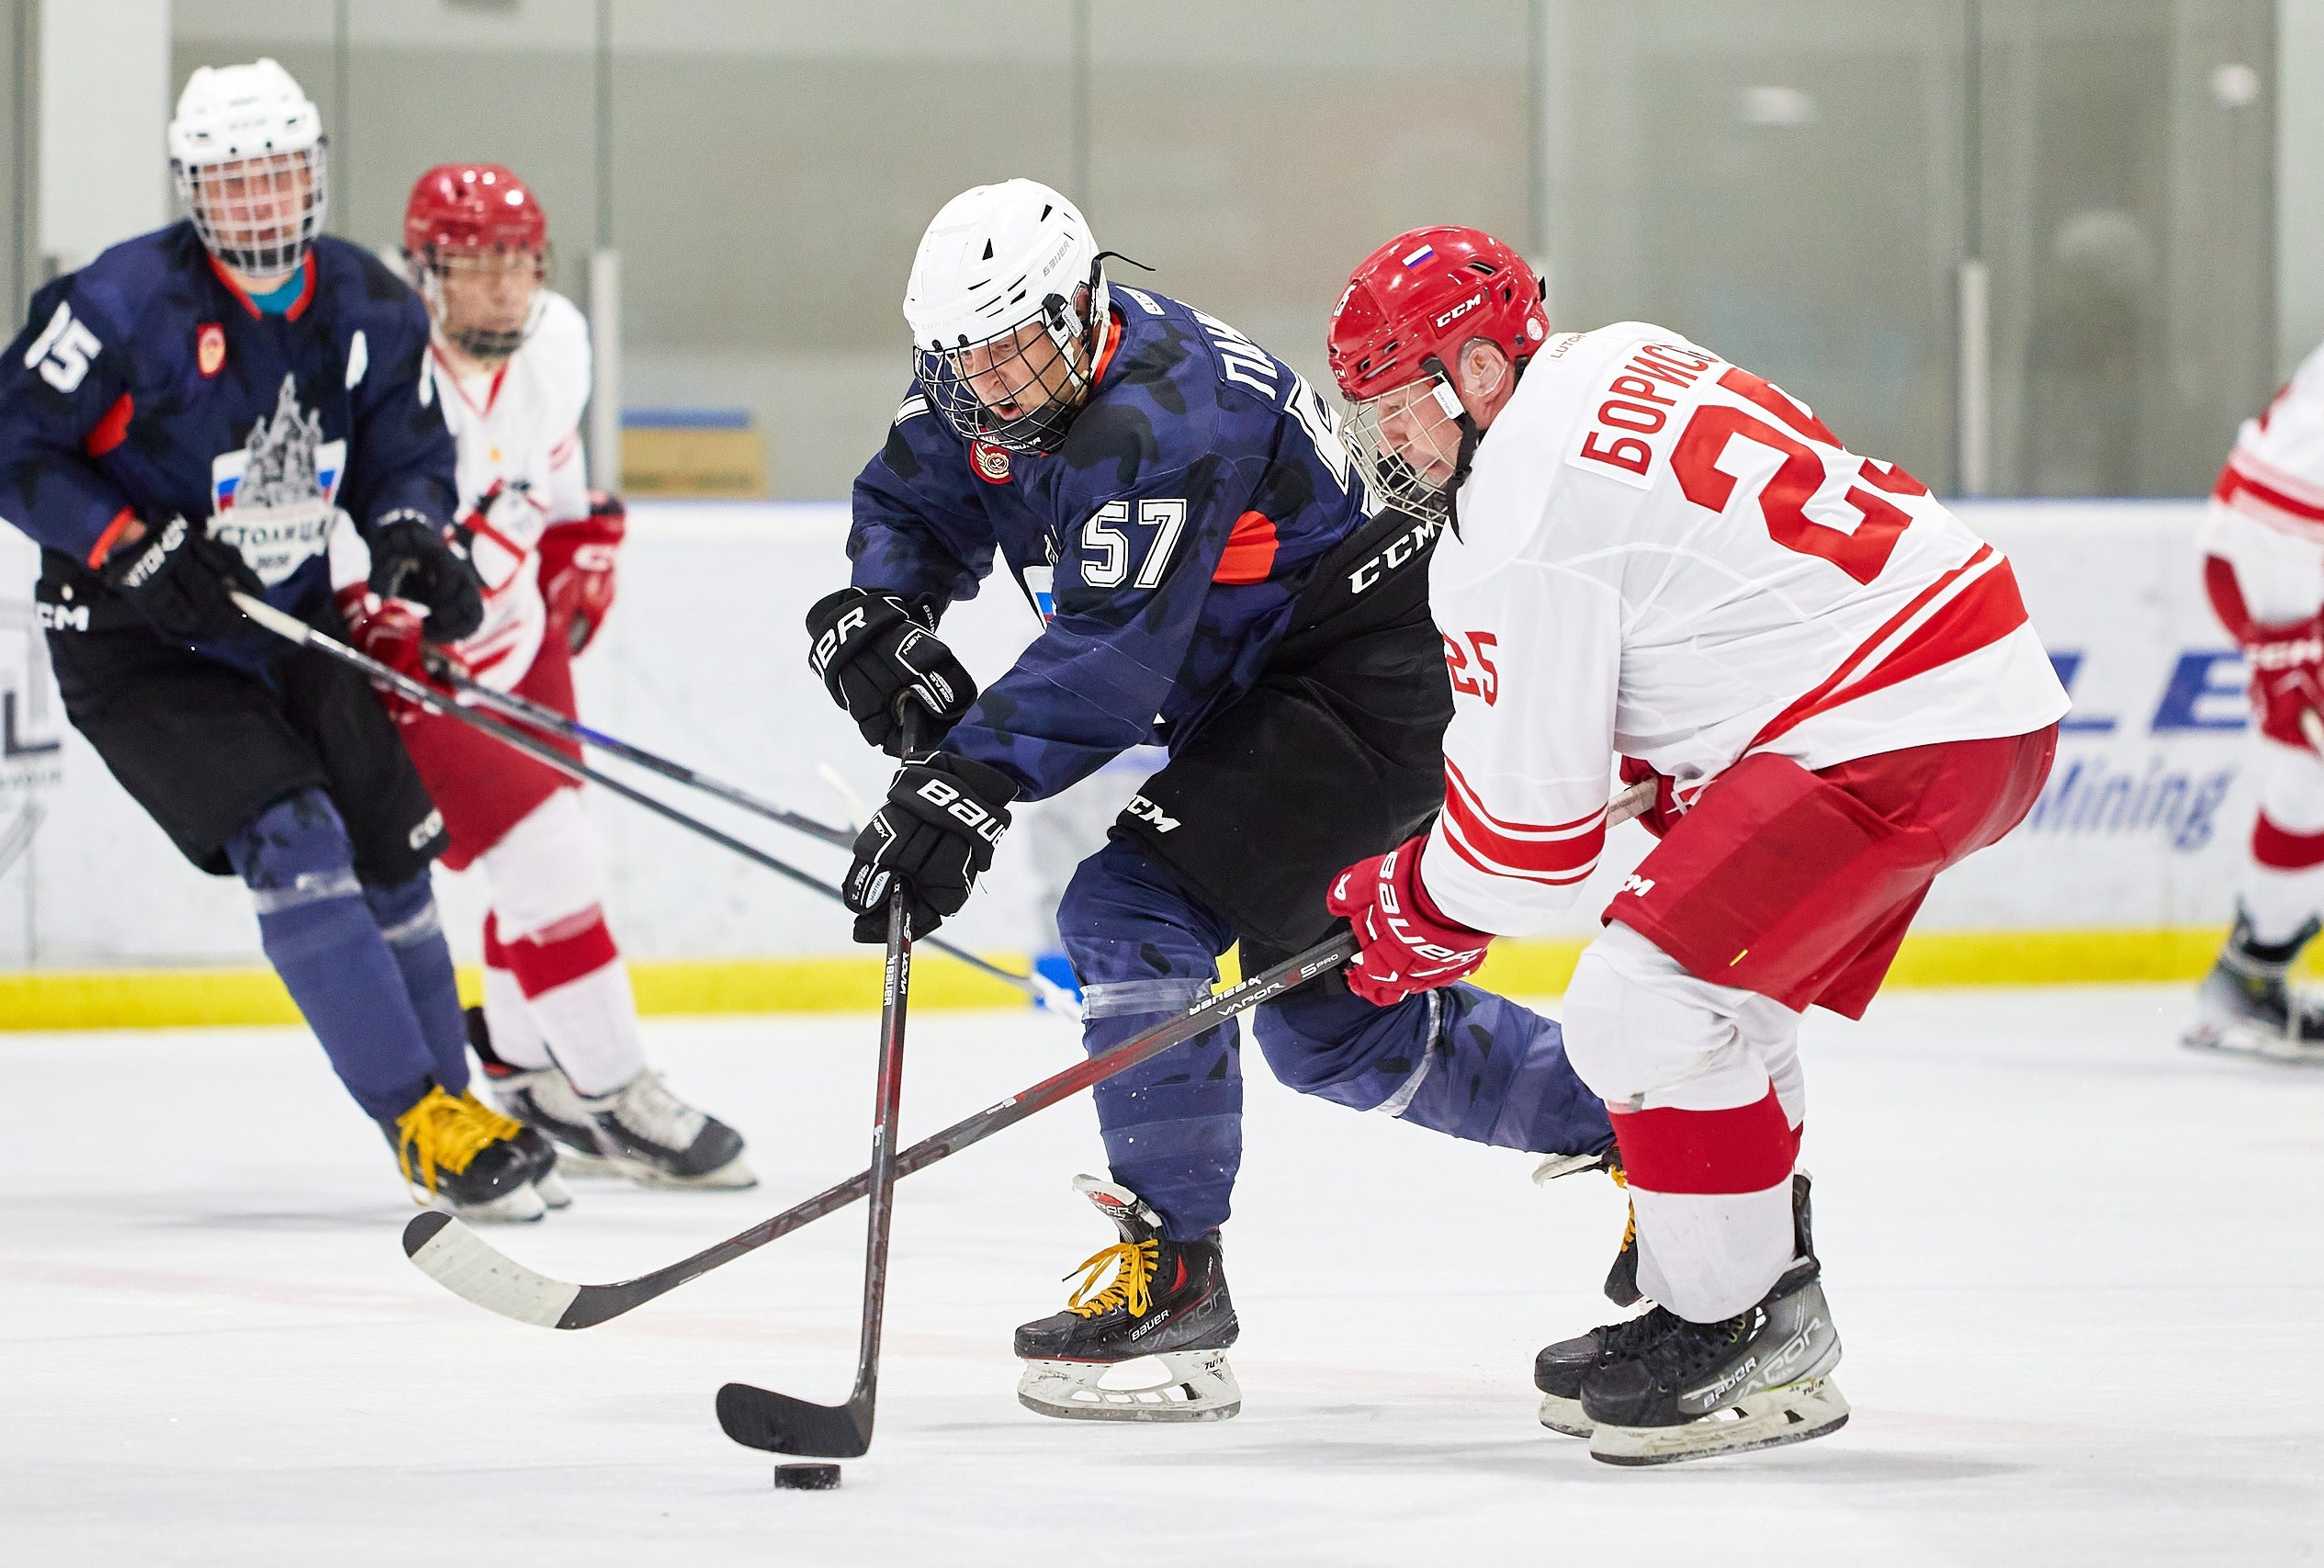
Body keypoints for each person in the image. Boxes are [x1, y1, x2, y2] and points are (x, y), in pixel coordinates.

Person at [809, 179, 1619, 1423]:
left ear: (1082, 305)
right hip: (1262, 692)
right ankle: (1661, 1122)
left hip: (1359, 677)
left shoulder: (1165, 411)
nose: (1002, 387)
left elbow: (1112, 660)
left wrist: (964, 783)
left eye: (1024, 348)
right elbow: (918, 496)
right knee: (1335, 1031)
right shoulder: (983, 371)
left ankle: (1176, 1284)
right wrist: (886, 607)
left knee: (1132, 911)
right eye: (973, 362)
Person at [1323, 226, 2070, 1464]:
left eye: (1402, 407)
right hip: (1943, 672)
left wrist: (1413, 900)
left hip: (1901, 717)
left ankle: (1749, 1332)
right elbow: (1707, 574)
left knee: (1644, 1002)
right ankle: (1727, 1296)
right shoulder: (1622, 354)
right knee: (1719, 997)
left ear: (1480, 374)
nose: (1391, 441)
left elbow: (1527, 852)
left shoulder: (1513, 517)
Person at [0, 61, 560, 1221]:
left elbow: (404, 452)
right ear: (194, 190)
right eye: (232, 181)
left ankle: (454, 1110)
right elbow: (15, 446)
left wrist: (412, 539)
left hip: (289, 622)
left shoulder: (367, 302)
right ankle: (415, 1116)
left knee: (396, 852)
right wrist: (127, 545)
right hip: (137, 646)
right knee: (295, 840)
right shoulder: (119, 306)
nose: (259, 203)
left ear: (312, 176)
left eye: (279, 176)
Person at [329, 164, 753, 1190]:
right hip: (418, 665)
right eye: (479, 268)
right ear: (426, 270)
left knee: (553, 857)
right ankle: (618, 1091)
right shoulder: (374, 365)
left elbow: (550, 472)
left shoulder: (558, 337)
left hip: (521, 636)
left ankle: (522, 1072)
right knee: (549, 857)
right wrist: (369, 610)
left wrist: (582, 538)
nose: (506, 290)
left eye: (520, 264)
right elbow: (329, 508)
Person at [2186, 310, 2324, 1065]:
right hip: (2298, 576)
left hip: (2313, 567)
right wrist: (2287, 639)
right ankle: (2251, 974)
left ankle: (2251, 972)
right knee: (2317, 776)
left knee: (2316, 781)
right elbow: (2278, 485)